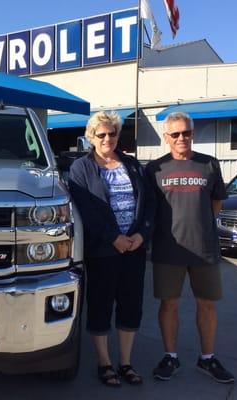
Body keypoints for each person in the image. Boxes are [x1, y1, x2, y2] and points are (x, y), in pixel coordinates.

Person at [145, 111, 235, 384]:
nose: (182, 138)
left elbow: (216, 203)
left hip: (204, 249)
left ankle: (207, 359)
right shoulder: (155, 169)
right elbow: (150, 209)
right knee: (169, 304)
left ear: (192, 134)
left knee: (207, 305)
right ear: (166, 137)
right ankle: (170, 356)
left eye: (186, 132)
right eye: (176, 134)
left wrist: (201, 225)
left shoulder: (209, 164)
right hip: (167, 250)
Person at [68, 111, 155, 387]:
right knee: (101, 304)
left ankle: (126, 362)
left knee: (131, 305)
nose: (108, 138)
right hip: (103, 251)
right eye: (101, 134)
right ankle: (105, 363)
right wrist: (112, 237)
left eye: (112, 133)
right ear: (91, 137)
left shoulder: (133, 165)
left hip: (134, 248)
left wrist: (141, 235)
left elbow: (149, 203)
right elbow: (85, 209)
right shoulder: (81, 168)